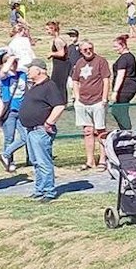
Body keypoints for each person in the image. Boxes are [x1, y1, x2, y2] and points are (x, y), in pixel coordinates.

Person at [16, 63, 65, 202]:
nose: (28, 72)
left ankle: (49, 191)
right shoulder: (35, 86)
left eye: (30, 69)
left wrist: (49, 122)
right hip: (31, 130)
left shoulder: (49, 86)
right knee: (36, 162)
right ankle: (39, 189)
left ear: (39, 70)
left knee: (43, 162)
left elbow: (59, 106)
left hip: (40, 130)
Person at [71, 39, 112, 172]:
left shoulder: (101, 61)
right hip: (83, 102)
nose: (88, 51)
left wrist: (104, 98)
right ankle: (90, 161)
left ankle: (103, 160)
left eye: (90, 48)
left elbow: (106, 80)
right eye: (85, 49)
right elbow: (75, 81)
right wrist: (77, 98)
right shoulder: (79, 63)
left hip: (98, 100)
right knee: (88, 131)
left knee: (101, 132)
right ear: (81, 51)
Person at [110, 33, 136, 131]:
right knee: (117, 110)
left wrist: (115, 91)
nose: (115, 49)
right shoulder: (130, 56)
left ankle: (128, 131)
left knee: (120, 111)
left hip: (124, 89)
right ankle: (125, 130)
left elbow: (120, 75)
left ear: (123, 46)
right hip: (130, 88)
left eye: (116, 47)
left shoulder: (124, 58)